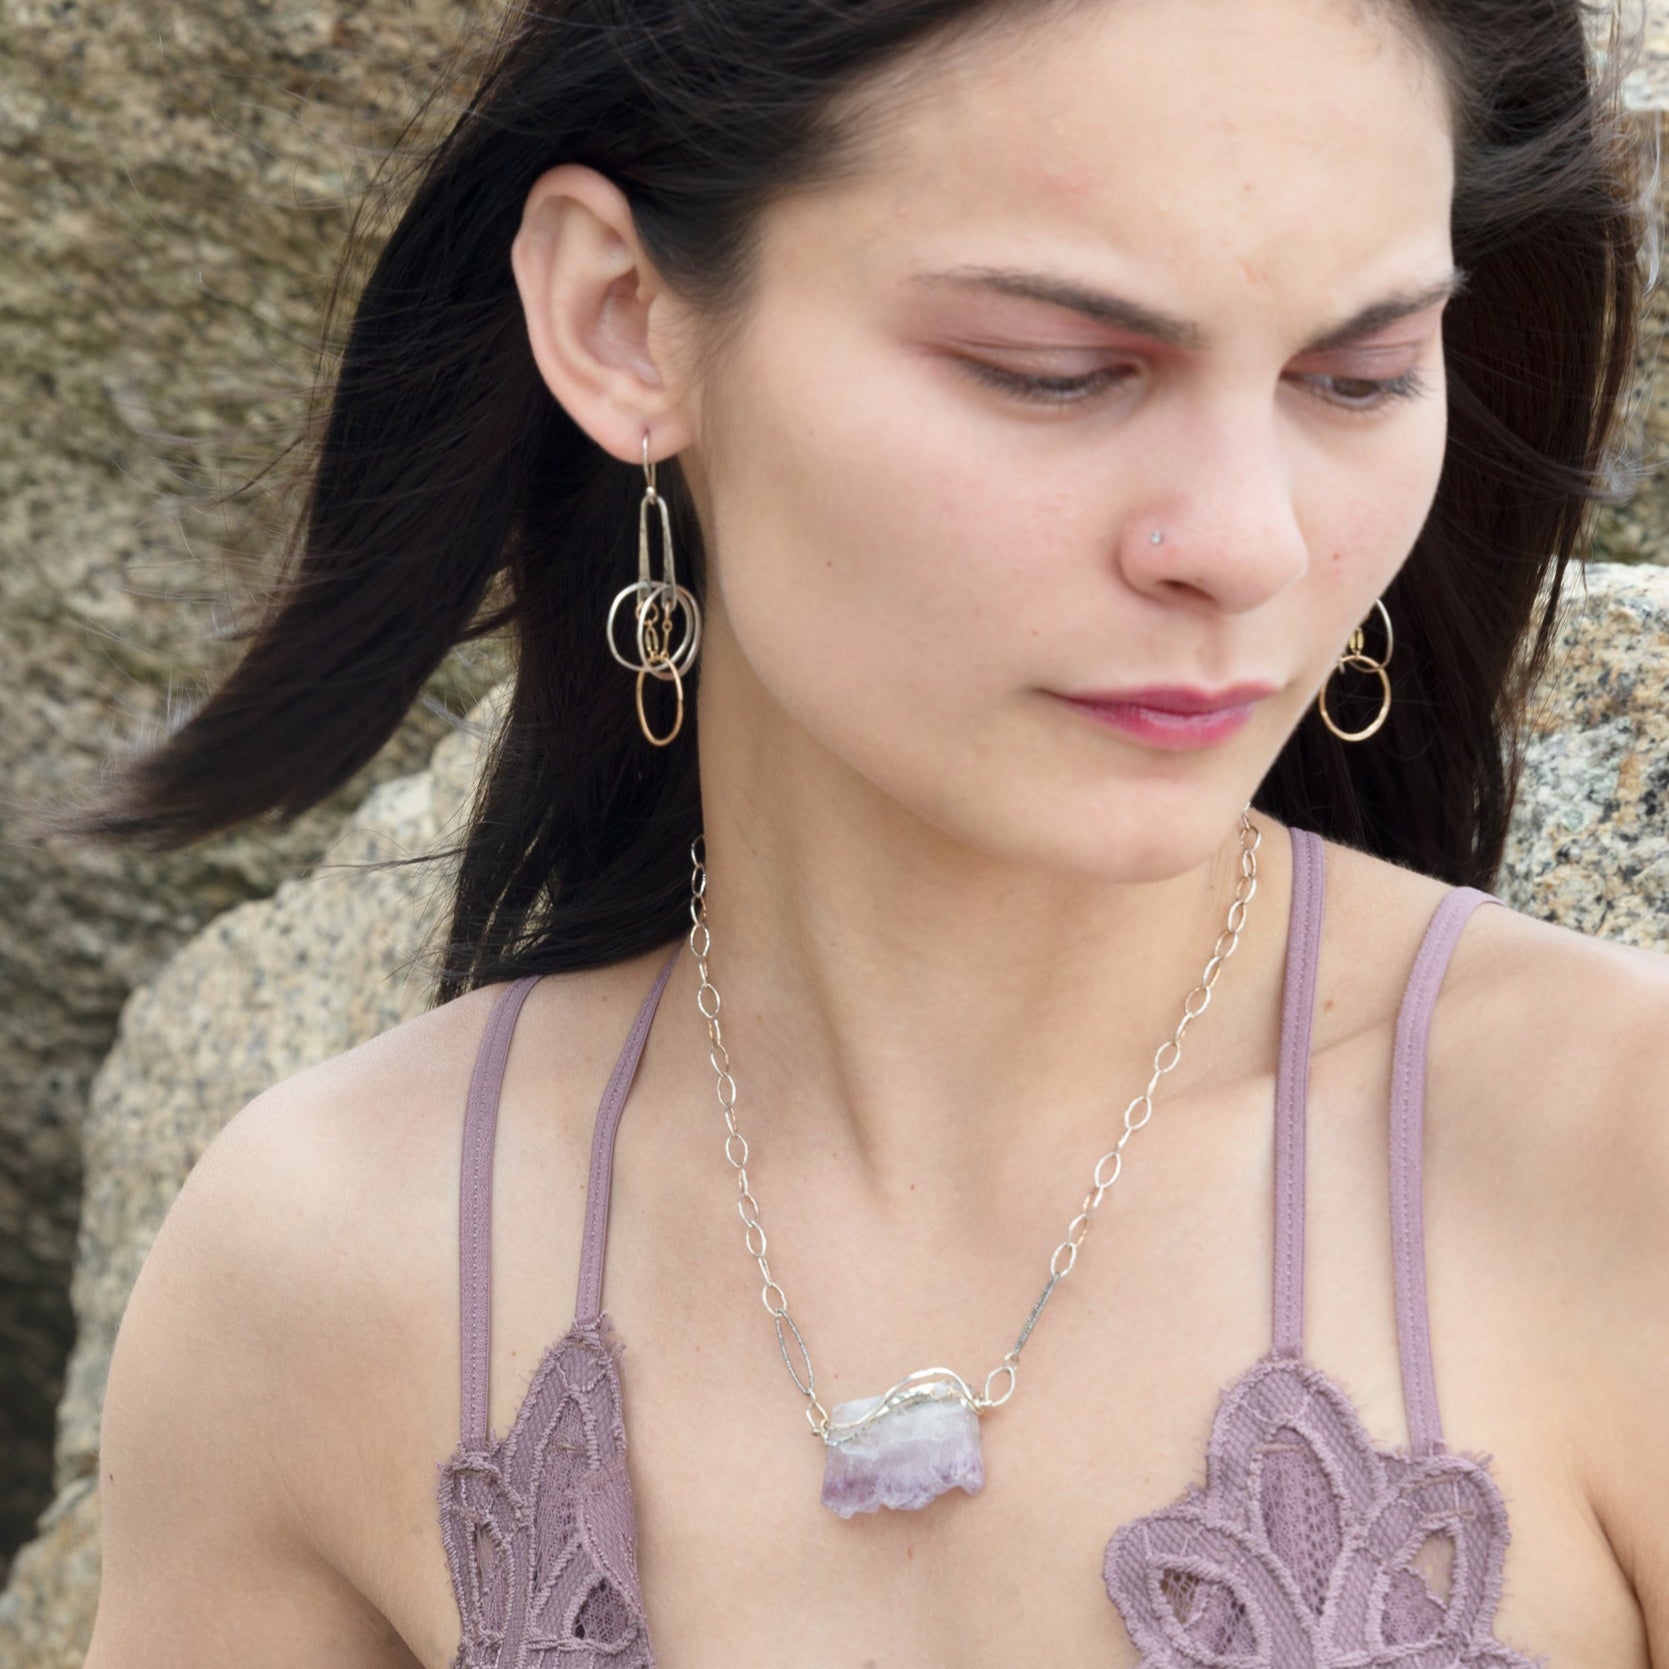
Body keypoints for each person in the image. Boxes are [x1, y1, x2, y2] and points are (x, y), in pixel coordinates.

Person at [72, 0, 1667, 1662]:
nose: (1245, 540)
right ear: (621, 321)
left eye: (1355, 378)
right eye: (1053, 371)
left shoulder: (1616, 1162)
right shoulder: (331, 1264)